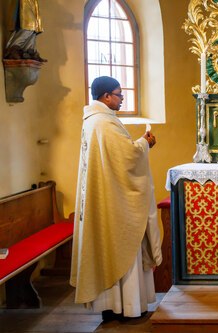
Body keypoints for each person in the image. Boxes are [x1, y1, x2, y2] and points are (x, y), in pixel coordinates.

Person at [70, 76, 162, 321]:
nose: (122, 99)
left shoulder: (95, 121)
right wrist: (145, 142)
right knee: (123, 244)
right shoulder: (103, 123)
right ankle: (127, 307)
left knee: (109, 249)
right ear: (106, 97)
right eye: (119, 94)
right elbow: (128, 157)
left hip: (108, 196)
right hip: (115, 203)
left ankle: (115, 306)